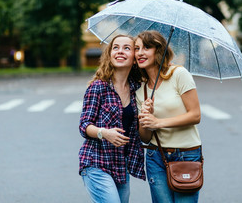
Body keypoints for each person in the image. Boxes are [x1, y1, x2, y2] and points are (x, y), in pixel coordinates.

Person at [134, 30, 202, 203]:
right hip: (155, 156)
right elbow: (145, 137)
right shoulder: (140, 88)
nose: (140, 53)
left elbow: (195, 115)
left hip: (186, 154)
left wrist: (158, 122)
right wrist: (145, 117)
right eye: (136, 48)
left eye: (146, 48)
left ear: (159, 50)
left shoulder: (179, 74)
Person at [78, 35, 145, 203]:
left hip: (121, 166)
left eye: (126, 48)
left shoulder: (137, 89)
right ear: (110, 54)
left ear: (134, 59)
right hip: (96, 163)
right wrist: (104, 133)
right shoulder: (99, 86)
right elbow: (84, 125)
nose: (120, 51)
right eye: (116, 47)